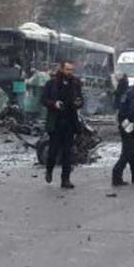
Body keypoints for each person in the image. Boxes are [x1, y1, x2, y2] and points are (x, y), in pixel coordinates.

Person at [40, 60, 84, 189]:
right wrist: (54, 104)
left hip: (70, 121)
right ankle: (49, 169)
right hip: (56, 122)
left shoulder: (75, 84)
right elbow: (43, 100)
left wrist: (78, 103)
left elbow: (81, 100)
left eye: (71, 70)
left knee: (68, 152)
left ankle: (65, 179)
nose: (70, 72)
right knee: (53, 151)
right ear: (61, 69)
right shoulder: (51, 84)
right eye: (67, 70)